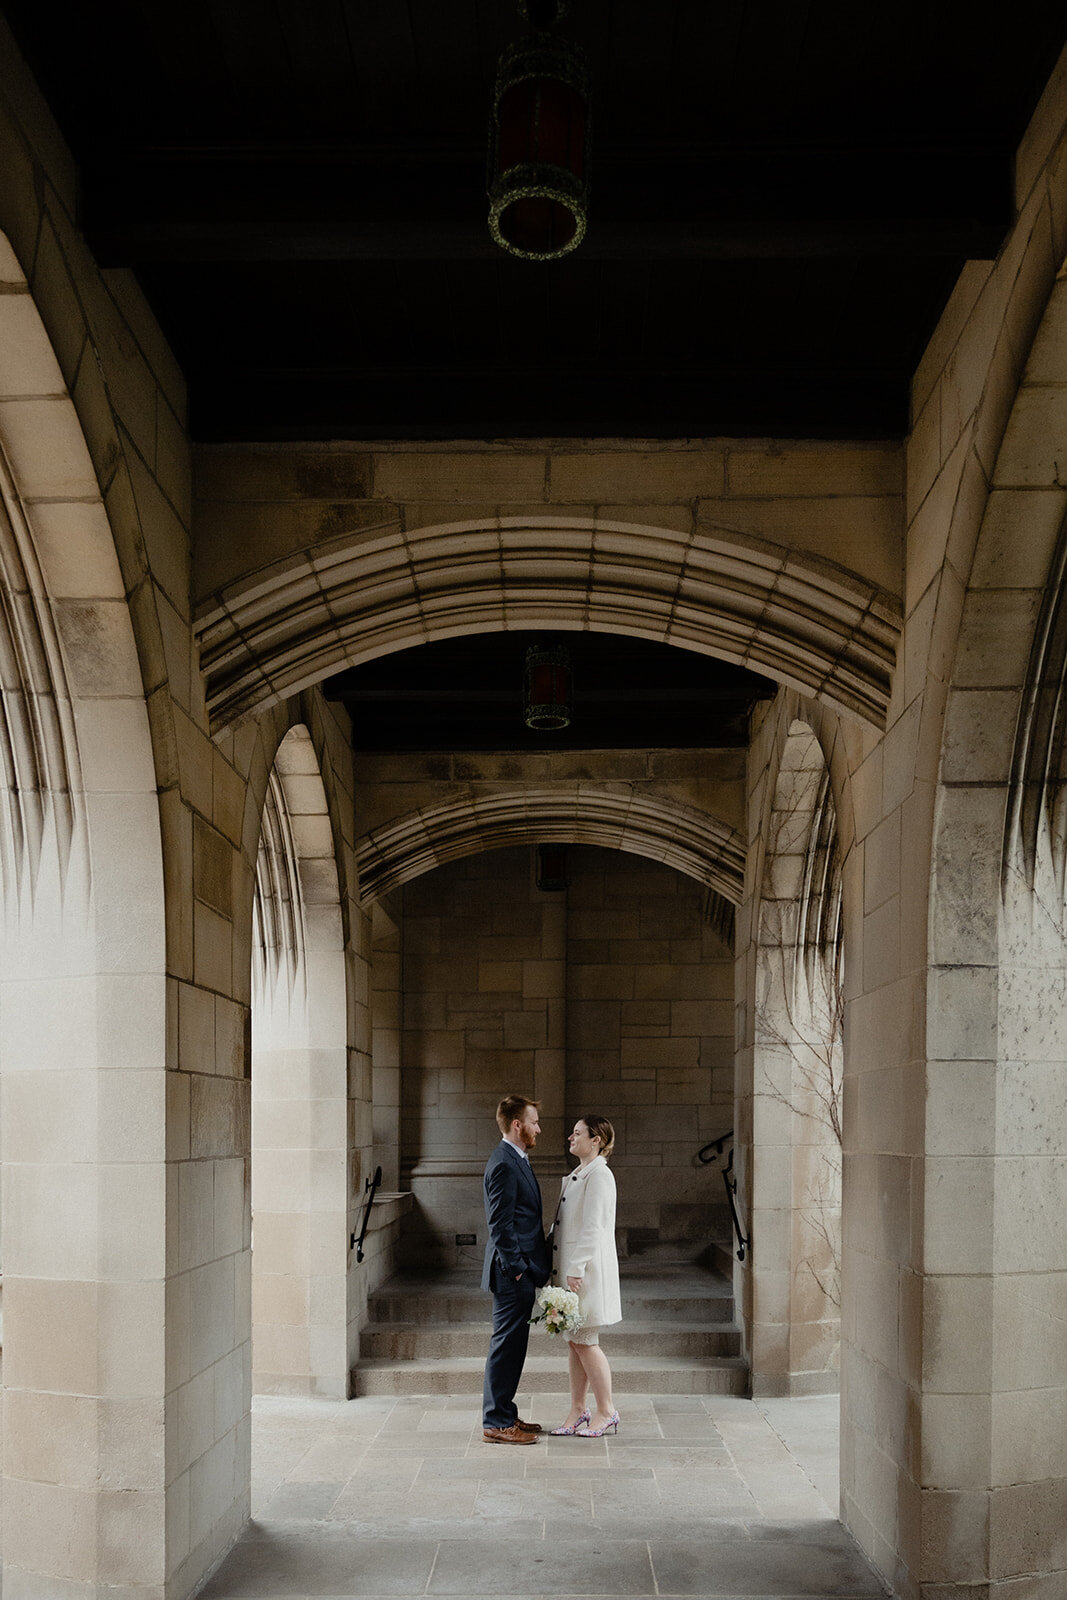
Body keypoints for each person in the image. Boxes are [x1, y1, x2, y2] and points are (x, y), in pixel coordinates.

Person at [480, 1093, 552, 1444]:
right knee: (506, 1346)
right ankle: (496, 1422)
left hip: (519, 1270)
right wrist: (520, 1268)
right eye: (534, 1122)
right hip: (511, 1274)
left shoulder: (516, 1158)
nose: (539, 1128)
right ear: (516, 1124)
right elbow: (500, 1225)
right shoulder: (505, 1163)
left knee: (513, 1346)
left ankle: (505, 1413)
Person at [549, 1114, 622, 1437]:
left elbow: (594, 1227)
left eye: (577, 1133)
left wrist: (575, 1269)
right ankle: (578, 1408)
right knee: (574, 1341)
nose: (570, 1137)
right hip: (570, 1270)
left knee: (586, 1341)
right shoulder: (579, 1174)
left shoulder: (599, 1175)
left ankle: (606, 1410)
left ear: (596, 1140)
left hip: (586, 1272)